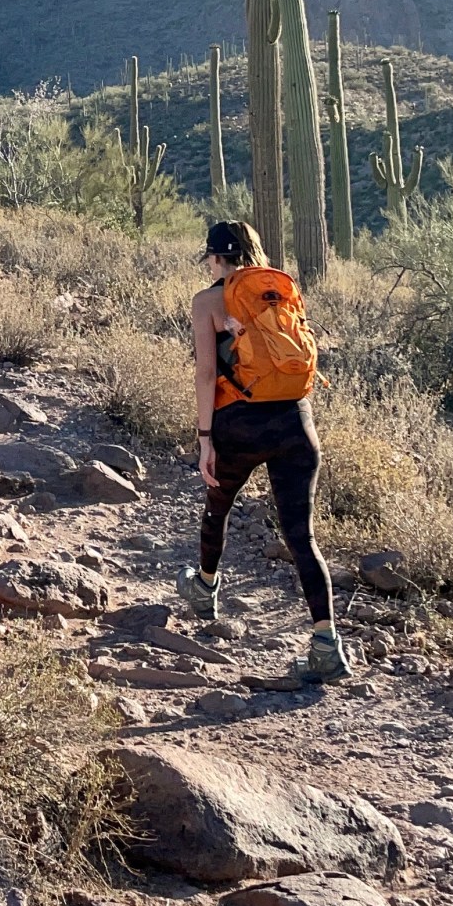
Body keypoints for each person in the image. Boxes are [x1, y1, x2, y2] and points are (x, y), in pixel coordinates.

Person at [176, 219, 351, 683]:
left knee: (218, 503)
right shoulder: (280, 293)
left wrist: (205, 440)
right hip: (296, 420)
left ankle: (206, 587)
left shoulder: (208, 302)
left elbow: (205, 374)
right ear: (254, 253)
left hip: (239, 424)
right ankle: (327, 645)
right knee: (301, 536)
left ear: (215, 258)